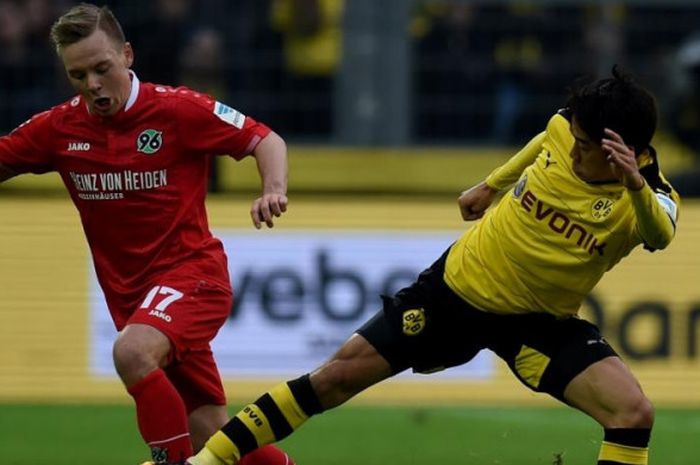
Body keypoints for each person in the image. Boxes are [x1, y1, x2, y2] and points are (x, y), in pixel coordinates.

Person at [185, 67, 680, 465]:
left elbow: (660, 236)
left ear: (624, 154)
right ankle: (206, 462)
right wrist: (491, 185)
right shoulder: (564, 131)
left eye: (586, 148)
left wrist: (635, 186)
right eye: (573, 137)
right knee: (333, 378)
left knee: (633, 413)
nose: (572, 151)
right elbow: (544, 138)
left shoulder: (648, 198)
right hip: (454, 292)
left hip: (538, 325)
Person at [0, 4, 296, 465]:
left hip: (194, 278)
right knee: (214, 438)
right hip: (137, 303)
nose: (93, 85)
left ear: (128, 56)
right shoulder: (58, 129)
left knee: (132, 353)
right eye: (78, 75)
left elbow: (265, 140)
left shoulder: (178, 109)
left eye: (103, 69)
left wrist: (272, 190)